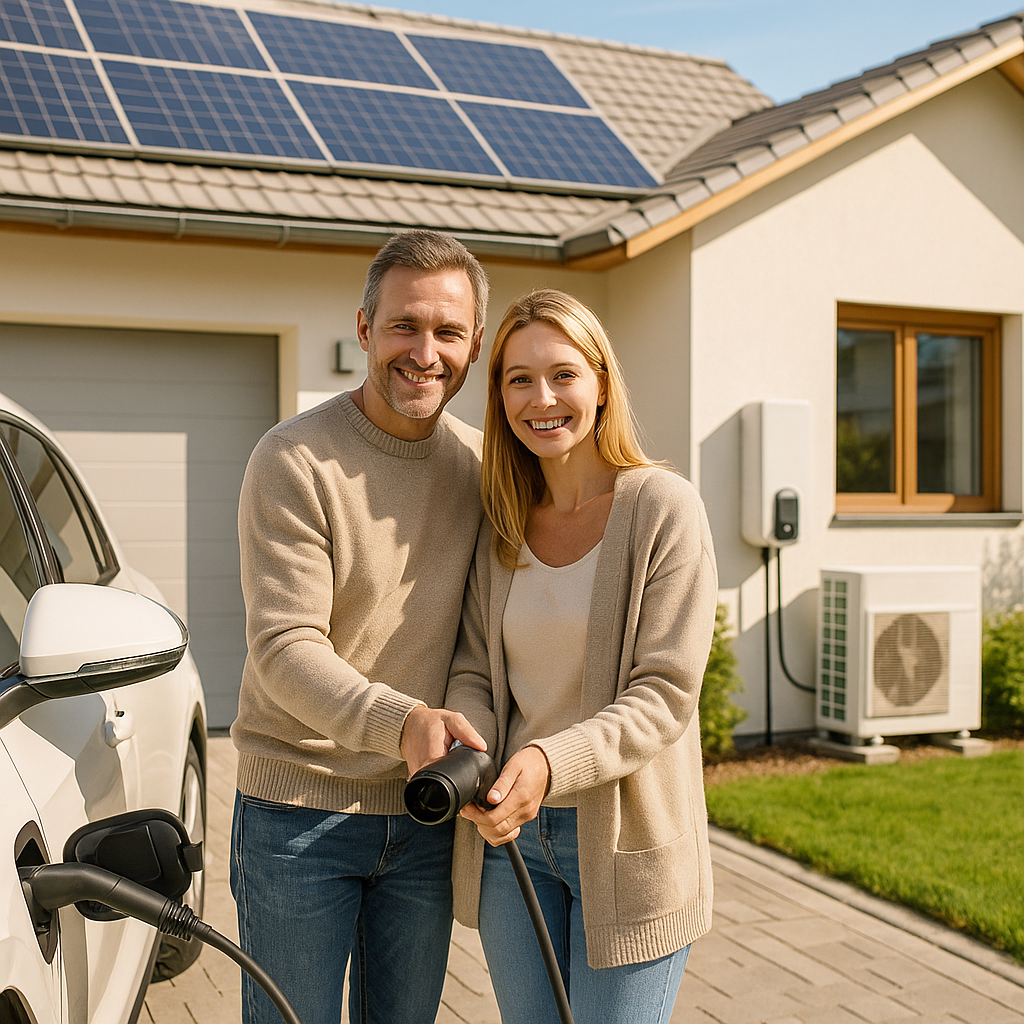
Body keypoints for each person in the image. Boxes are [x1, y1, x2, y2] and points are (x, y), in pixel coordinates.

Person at [230, 230, 490, 1024]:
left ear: (476, 345)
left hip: (425, 813)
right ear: (366, 328)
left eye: (448, 332)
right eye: (405, 325)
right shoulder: (295, 460)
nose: (425, 352)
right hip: (297, 812)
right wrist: (403, 722)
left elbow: (484, 638)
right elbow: (284, 648)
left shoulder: (484, 469)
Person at [443, 289, 719, 1024]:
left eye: (563, 374)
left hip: (628, 844)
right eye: (519, 379)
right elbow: (473, 671)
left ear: (601, 384)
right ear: (499, 396)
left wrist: (547, 762)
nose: (542, 398)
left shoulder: (662, 509)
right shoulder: (503, 520)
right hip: (514, 842)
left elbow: (664, 694)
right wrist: (470, 750)